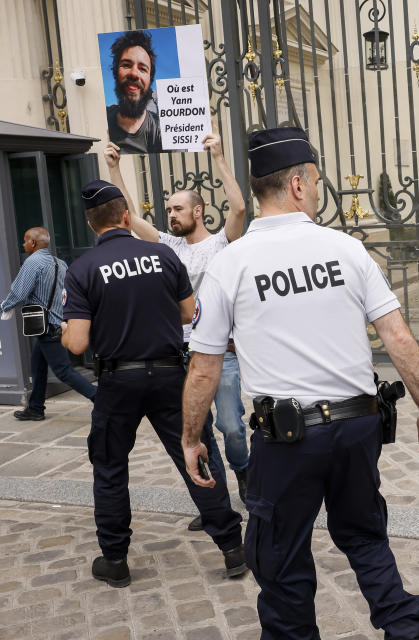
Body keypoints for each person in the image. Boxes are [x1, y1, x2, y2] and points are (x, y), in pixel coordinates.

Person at [180, 126, 419, 640]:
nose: (319, 191)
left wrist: (191, 438)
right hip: (356, 429)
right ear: (298, 184)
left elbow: (205, 367)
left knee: (279, 561)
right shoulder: (346, 249)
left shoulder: (230, 263)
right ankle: (405, 630)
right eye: (317, 182)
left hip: (287, 442)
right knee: (366, 539)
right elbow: (398, 336)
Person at [60, 180, 245, 588]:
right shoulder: (162, 255)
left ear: (92, 225)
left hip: (117, 379)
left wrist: (65, 330)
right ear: (126, 216)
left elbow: (76, 342)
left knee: (109, 469)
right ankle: (232, 548)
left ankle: (115, 560)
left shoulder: (83, 270)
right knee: (196, 455)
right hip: (168, 374)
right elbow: (189, 313)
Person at [105, 122, 249, 525]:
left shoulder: (222, 243)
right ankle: (215, 501)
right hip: (181, 355)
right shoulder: (167, 247)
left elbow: (239, 208)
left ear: (197, 211)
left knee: (232, 428)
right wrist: (116, 169)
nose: (170, 215)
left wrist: (218, 157)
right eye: (168, 209)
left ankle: (247, 477)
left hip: (222, 353)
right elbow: (130, 217)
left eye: (177, 209)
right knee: (198, 433)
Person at [0, 228, 97, 419]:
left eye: (25, 241)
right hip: (57, 323)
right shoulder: (59, 263)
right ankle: (35, 408)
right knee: (38, 365)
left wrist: (4, 307)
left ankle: (101, 398)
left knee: (64, 371)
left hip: (48, 326)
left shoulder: (32, 262)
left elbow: (19, 292)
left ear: (33, 243)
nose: (23, 244)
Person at [106, 30, 162, 154]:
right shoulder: (103, 118)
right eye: (126, 65)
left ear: (150, 80)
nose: (134, 74)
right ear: (116, 73)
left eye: (142, 69)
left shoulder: (161, 130)